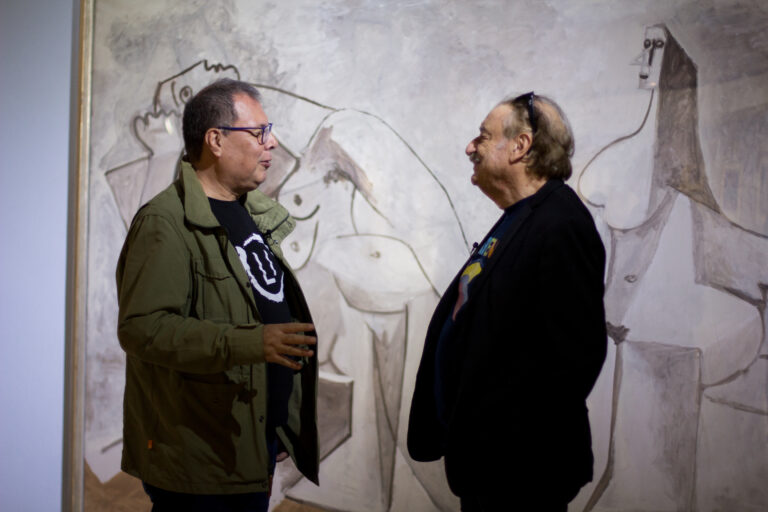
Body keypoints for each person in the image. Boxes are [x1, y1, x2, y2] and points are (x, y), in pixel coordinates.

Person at [115, 78, 319, 512]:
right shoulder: (165, 223)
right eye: (259, 132)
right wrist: (251, 343)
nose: (272, 143)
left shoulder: (251, 214)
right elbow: (144, 329)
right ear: (216, 140)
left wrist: (277, 427)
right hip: (199, 463)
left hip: (248, 448)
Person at [407, 92, 607, 511]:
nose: (470, 147)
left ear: (520, 146)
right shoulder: (523, 216)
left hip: (519, 472)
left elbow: (575, 359)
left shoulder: (560, 223)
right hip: (490, 465)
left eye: (483, 136)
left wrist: (502, 436)